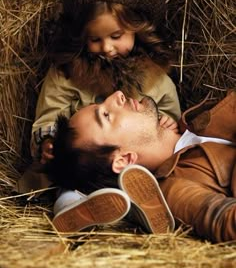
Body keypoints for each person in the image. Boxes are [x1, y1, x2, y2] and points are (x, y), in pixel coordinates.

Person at [15, 0, 181, 204]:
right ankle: (72, 207)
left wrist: (166, 120)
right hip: (84, 164)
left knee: (147, 183)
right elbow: (51, 111)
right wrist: (48, 141)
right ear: (80, 36)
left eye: (116, 36)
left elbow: (163, 112)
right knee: (66, 183)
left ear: (137, 29)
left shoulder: (152, 74)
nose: (107, 48)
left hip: (134, 164)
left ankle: (129, 206)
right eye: (95, 39)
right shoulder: (67, 73)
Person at [48, 90, 236, 243]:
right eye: (106, 115)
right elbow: (227, 223)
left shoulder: (199, 120)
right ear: (122, 159)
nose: (117, 95)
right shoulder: (172, 190)